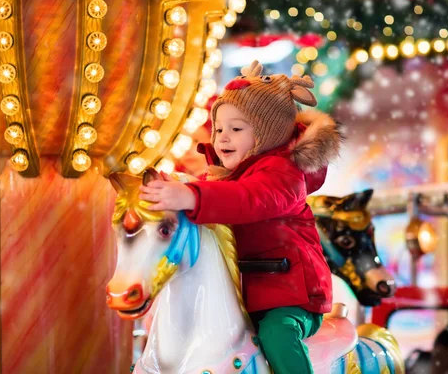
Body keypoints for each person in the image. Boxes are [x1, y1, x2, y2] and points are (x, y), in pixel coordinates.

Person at [139, 60, 342, 374]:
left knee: (278, 334)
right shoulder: (226, 178)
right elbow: (215, 196)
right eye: (219, 128)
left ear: (267, 134)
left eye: (236, 129)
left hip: (290, 293)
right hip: (244, 291)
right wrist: (177, 186)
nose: (221, 138)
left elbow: (250, 199)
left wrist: (192, 196)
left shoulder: (284, 175)